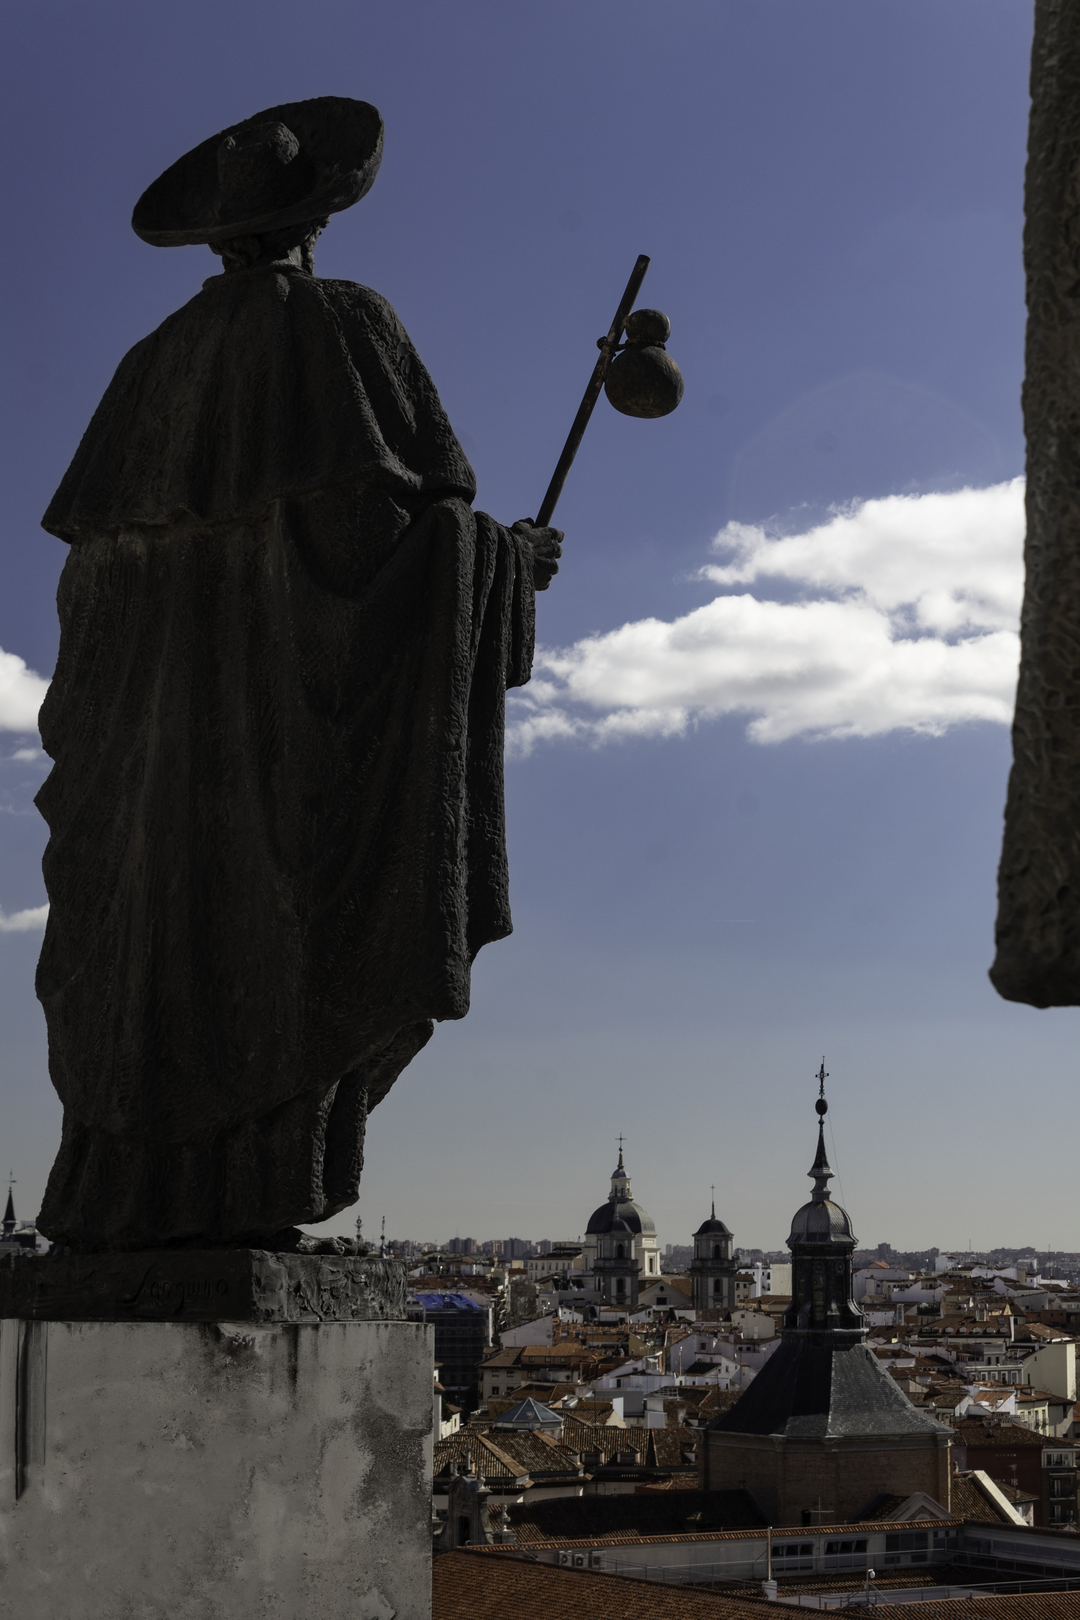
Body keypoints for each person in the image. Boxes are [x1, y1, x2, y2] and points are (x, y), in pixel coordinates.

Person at [35, 98, 561, 1251]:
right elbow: (396, 550)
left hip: (147, 772)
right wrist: (503, 567)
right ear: (315, 221)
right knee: (289, 942)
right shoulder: (342, 325)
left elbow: (91, 600)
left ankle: (133, 1194)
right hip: (285, 756)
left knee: (162, 948)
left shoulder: (146, 370)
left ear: (219, 239)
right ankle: (250, 1184)